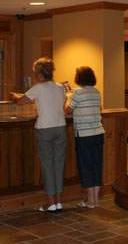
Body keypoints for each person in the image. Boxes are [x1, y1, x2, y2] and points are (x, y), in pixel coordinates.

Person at [12, 58, 67, 212]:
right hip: (60, 127)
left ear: (39, 74)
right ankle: (59, 201)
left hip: (44, 128)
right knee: (59, 164)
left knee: (47, 165)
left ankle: (51, 203)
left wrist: (14, 96)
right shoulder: (60, 87)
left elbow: (21, 101)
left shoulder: (38, 88)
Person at [66, 66, 105, 209]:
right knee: (96, 165)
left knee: (86, 166)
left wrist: (68, 96)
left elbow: (67, 110)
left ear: (79, 78)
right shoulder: (96, 92)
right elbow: (99, 109)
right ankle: (95, 200)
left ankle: (90, 201)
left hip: (84, 135)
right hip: (98, 133)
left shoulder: (77, 93)